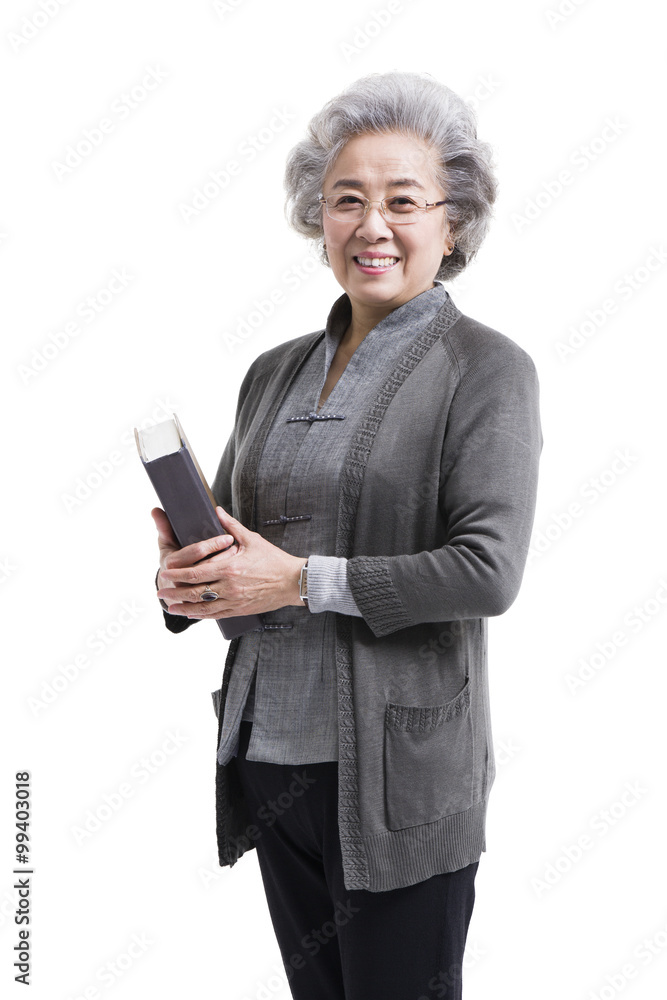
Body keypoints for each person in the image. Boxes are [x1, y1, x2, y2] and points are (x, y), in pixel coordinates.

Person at [151, 70, 542, 1000]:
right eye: (346, 201)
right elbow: (243, 555)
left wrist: (295, 583)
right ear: (316, 218)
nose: (372, 226)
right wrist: (188, 581)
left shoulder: (484, 370)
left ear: (453, 223)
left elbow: (486, 572)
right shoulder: (273, 373)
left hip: (397, 781)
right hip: (270, 765)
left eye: (403, 201)